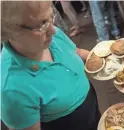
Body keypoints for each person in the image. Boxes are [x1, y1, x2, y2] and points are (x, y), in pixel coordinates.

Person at [1, 1, 101, 130]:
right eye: (41, 25)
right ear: (9, 31)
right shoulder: (12, 90)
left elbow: (76, 52)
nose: (53, 30)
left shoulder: (50, 36)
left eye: (50, 16)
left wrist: (104, 59)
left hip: (91, 107)